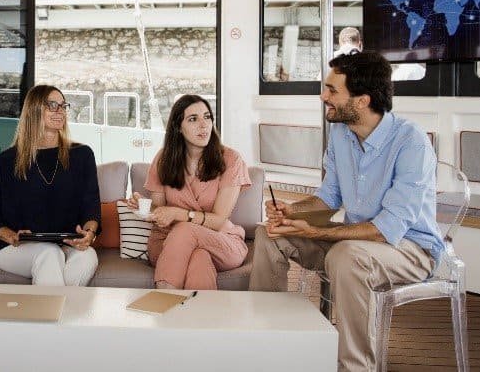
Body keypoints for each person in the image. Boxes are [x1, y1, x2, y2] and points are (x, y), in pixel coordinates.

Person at [249, 51, 443, 371]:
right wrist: (291, 212)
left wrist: (314, 232)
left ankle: (355, 367)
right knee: (269, 234)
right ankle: (267, 343)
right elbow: (328, 198)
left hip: (410, 248)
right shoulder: (341, 133)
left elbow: (385, 229)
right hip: (354, 243)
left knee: (346, 256)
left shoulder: (412, 143)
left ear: (362, 100)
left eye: (332, 90)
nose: (324, 96)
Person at [0, 85, 100, 286]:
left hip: (67, 244)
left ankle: (51, 314)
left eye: (63, 105)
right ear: (34, 109)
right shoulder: (6, 161)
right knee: (49, 254)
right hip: (13, 248)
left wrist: (89, 233)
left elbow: (91, 208)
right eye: (52, 105)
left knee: (88, 257)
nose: (59, 110)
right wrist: (9, 235)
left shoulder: (82, 155)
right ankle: (58, 315)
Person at [128, 94, 251, 290]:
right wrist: (144, 206)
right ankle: (198, 320)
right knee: (199, 258)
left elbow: (219, 220)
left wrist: (180, 215)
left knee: (185, 229)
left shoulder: (231, 159)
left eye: (207, 117)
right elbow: (160, 210)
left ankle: (163, 299)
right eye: (193, 119)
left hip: (220, 241)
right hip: (167, 244)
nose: (203, 125)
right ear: (178, 127)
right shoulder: (163, 159)